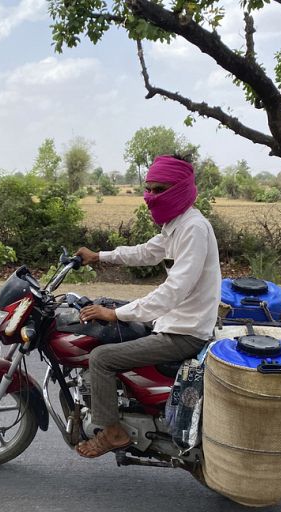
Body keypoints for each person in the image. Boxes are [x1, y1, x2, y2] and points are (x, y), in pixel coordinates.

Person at [74, 154, 221, 459]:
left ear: (180, 188)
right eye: (149, 189)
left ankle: (112, 432)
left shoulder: (193, 228)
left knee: (101, 358)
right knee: (116, 327)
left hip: (184, 332)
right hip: (174, 320)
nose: (151, 197)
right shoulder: (178, 224)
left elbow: (174, 291)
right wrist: (99, 256)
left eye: (159, 189)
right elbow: (145, 252)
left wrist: (115, 313)